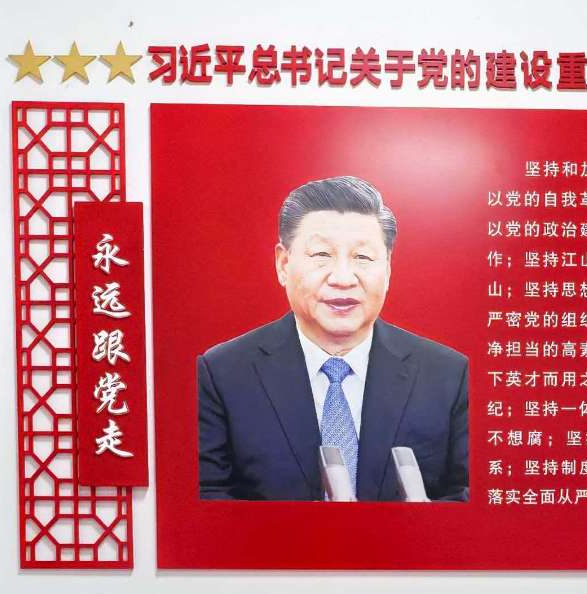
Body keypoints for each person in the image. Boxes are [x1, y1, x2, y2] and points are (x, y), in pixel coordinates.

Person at [196, 174, 470, 502]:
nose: (342, 278)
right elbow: (209, 497)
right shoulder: (223, 373)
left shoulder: (448, 375)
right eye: (321, 255)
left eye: (362, 258)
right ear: (283, 264)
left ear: (388, 269)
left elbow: (467, 494)